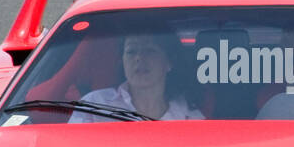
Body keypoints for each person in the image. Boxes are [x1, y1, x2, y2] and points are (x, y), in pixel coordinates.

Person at [68, 32, 204, 122]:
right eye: (131, 51)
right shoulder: (93, 106)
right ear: (122, 62)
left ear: (168, 62)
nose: (139, 58)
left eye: (150, 51)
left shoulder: (190, 118)